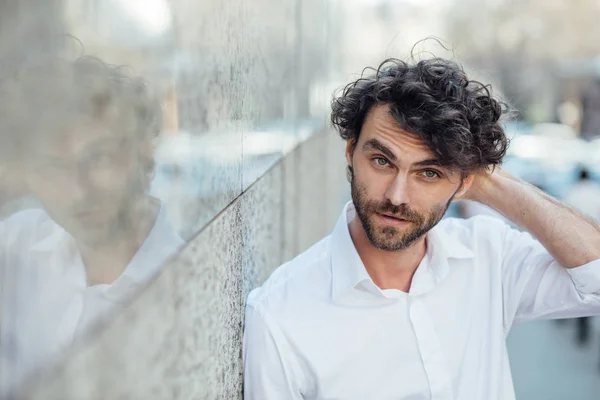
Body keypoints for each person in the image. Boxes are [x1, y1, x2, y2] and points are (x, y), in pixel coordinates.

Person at [243, 57, 600, 400]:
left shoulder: (489, 256)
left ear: (462, 184)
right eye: (382, 161)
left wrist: (490, 184)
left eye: (429, 173)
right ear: (351, 151)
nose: (397, 197)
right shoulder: (280, 315)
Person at [0, 56, 184, 395]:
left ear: (143, 148)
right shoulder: (15, 246)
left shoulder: (184, 289)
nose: (78, 190)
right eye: (53, 168)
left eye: (98, 158)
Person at [562, 167, 600, 345]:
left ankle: (578, 320)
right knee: (590, 283)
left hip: (573, 243)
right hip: (594, 242)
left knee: (575, 282)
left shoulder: (572, 191)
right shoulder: (595, 193)